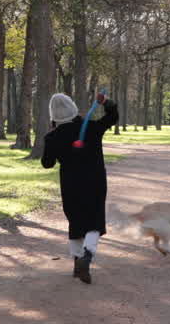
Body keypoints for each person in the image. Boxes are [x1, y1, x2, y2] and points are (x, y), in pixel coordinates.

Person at [41, 90, 119, 284]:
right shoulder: (91, 127)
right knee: (94, 220)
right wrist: (106, 103)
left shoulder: (53, 137)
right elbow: (112, 117)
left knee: (76, 221)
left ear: (54, 116)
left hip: (71, 185)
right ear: (73, 109)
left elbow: (47, 163)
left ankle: (78, 262)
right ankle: (88, 255)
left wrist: (51, 141)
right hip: (95, 182)